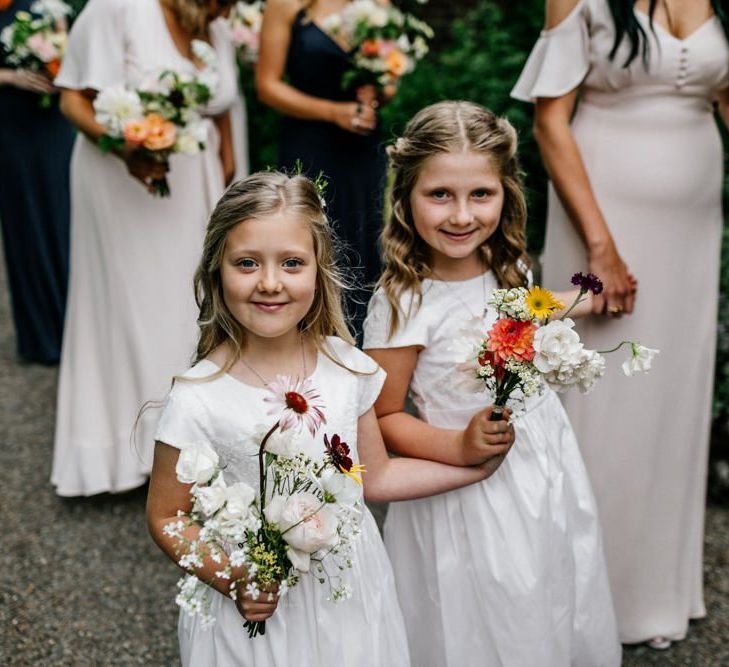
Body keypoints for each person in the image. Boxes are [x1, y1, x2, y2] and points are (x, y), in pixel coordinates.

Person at [145, 171, 514, 666]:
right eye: (247, 263)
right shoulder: (199, 397)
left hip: (347, 589)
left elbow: (376, 476)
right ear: (216, 271)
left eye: (292, 263)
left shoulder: (347, 368)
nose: (270, 282)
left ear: (320, 271)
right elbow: (167, 515)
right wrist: (234, 575)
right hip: (254, 597)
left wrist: (468, 462)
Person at [363, 101, 621, 666]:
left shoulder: (511, 269)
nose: (461, 216)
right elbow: (383, 418)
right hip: (462, 487)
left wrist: (580, 301)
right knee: (481, 613)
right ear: (406, 195)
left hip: (542, 464)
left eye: (481, 194)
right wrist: (458, 447)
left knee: (547, 589)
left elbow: (520, 317)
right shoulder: (403, 300)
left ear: (506, 192)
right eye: (440, 195)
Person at [511, 0, 729, 648]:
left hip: (692, 222)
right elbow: (550, 121)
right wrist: (599, 247)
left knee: (671, 395)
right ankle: (582, 596)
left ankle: (656, 592)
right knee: (605, 393)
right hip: (603, 211)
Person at [51, 0, 247, 496]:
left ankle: (187, 446)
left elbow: (219, 106)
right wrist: (125, 150)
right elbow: (73, 99)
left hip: (192, 185)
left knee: (187, 304)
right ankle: (127, 451)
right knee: (131, 306)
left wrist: (227, 168)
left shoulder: (215, 28)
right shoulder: (116, 9)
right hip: (121, 181)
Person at [256, 0, 389, 336]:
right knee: (312, 236)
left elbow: (388, 80)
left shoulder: (378, 3)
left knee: (363, 239)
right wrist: (333, 112)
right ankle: (304, 338)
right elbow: (268, 85)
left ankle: (360, 345)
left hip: (362, 146)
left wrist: (376, 95)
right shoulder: (285, 5)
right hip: (310, 140)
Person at [0, 0, 74, 365]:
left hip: (54, 124)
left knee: (64, 216)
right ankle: (40, 335)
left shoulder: (49, 4)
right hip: (11, 123)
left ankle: (75, 327)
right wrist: (10, 76)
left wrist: (59, 69)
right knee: (25, 221)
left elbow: (68, 46)